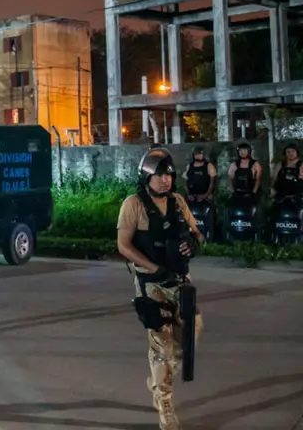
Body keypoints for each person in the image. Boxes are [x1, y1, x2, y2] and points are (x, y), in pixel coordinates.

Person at [117, 148, 205, 430]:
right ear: (146, 177)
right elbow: (124, 246)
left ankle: (158, 380)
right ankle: (164, 403)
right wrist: (154, 268)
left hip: (180, 283)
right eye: (160, 175)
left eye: (169, 175)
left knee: (189, 338)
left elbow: (197, 232)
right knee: (162, 346)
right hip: (151, 284)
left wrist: (194, 243)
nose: (166, 180)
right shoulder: (133, 205)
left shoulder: (178, 202)